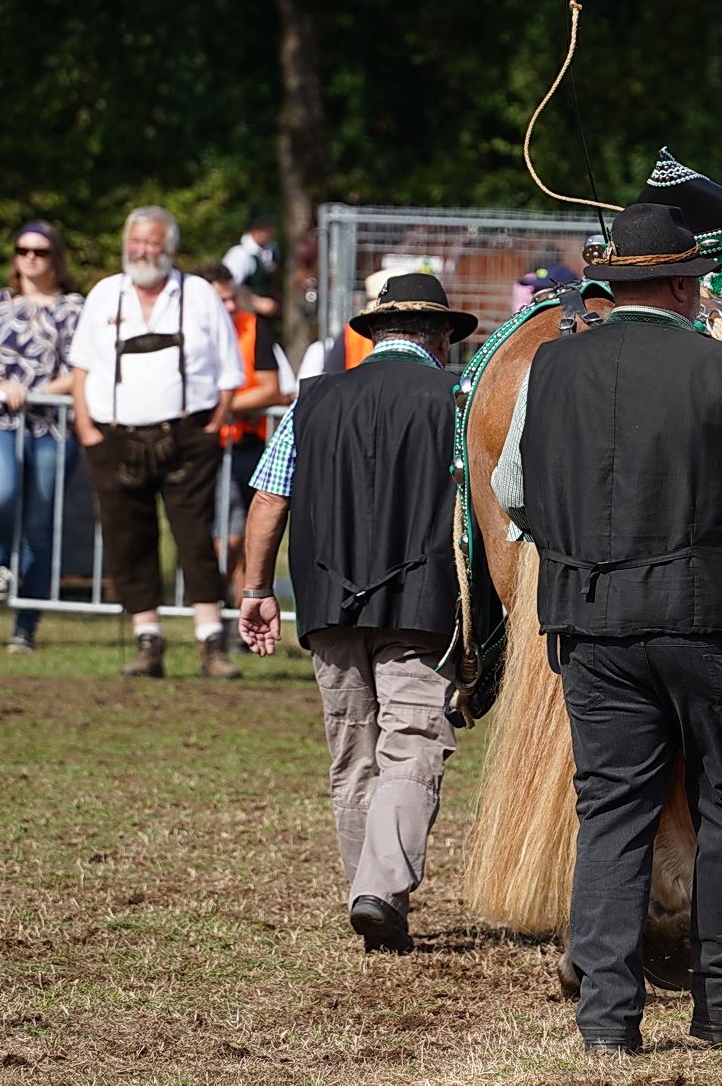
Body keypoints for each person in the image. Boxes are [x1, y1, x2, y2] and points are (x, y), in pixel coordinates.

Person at [491, 203, 722, 1054]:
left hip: (590, 627)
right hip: (713, 625)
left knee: (610, 811)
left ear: (617, 281)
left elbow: (513, 492)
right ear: (685, 283)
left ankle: (607, 1017)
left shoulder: (547, 372)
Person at [238, 273, 490, 954]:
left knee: (352, 755)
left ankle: (369, 898)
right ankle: (379, 893)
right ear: (440, 338)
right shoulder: (459, 401)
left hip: (327, 603)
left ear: (375, 334)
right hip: (423, 604)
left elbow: (268, 497)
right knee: (412, 745)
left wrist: (256, 588)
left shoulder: (313, 400)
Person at [68, 206, 245, 679]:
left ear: (170, 248)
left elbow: (231, 367)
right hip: (113, 436)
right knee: (128, 538)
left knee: (195, 537)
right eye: (136, 242)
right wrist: (86, 428)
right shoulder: (106, 293)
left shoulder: (200, 294)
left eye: (152, 243)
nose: (143, 251)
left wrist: (215, 424)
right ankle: (148, 639)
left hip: (188, 435)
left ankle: (211, 641)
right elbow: (80, 366)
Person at [0, 222, 85, 653]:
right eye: (23, 250)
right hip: (1, 421)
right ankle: (2, 562)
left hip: (52, 426)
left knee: (39, 525)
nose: (31, 258)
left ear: (56, 258)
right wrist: (1, 389)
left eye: (41, 251)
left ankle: (24, 626)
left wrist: (38, 392)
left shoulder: (73, 307)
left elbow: (82, 370)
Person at [194, 262, 286, 607]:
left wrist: (220, 404)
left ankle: (236, 607)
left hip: (247, 445)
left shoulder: (253, 327)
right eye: (222, 301)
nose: (231, 307)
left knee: (246, 536)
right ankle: (219, 604)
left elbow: (269, 389)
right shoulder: (186, 333)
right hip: (205, 447)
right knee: (223, 537)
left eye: (233, 299)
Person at [222, 208, 280, 320]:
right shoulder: (240, 254)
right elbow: (228, 287)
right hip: (246, 317)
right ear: (255, 230)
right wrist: (256, 302)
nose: (273, 231)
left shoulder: (272, 249)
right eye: (268, 228)